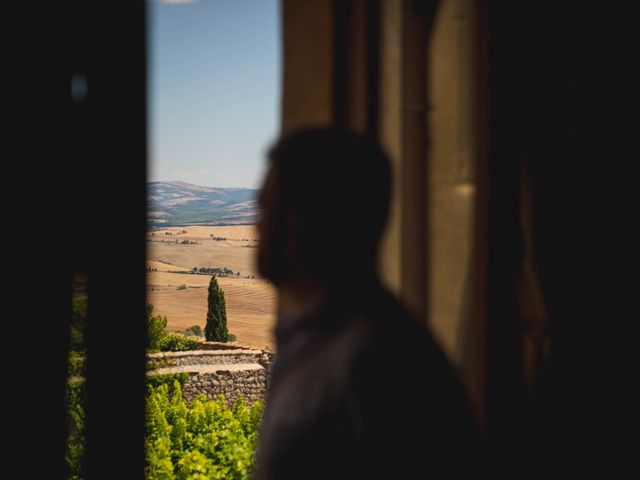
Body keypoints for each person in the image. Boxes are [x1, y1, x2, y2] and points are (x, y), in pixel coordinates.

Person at [253, 128, 482, 479]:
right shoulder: (334, 342)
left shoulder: (375, 360)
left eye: (264, 208)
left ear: (293, 224)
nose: (256, 227)